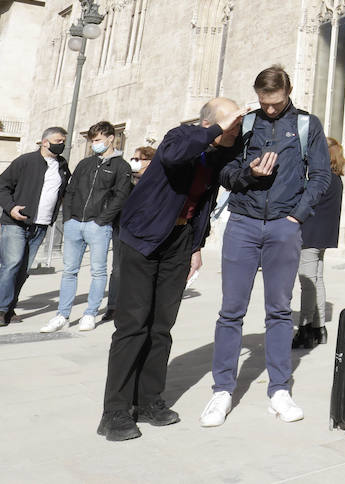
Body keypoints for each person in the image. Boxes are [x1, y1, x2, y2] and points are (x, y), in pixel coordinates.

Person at [97, 98, 248, 442]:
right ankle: (115, 411)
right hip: (142, 236)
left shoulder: (219, 153)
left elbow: (212, 195)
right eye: (231, 122)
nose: (235, 128)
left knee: (161, 326)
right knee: (133, 324)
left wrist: (196, 245)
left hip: (179, 240)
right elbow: (175, 157)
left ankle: (149, 401)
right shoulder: (180, 136)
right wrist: (215, 130)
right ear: (209, 123)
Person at [200, 66, 332, 429]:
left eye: (276, 103)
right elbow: (223, 173)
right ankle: (222, 390)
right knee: (231, 310)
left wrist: (297, 217)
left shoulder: (307, 124)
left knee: (279, 310)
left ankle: (279, 389)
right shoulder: (244, 125)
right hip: (242, 223)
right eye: (264, 103)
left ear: (289, 91)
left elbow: (321, 175)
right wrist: (250, 174)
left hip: (283, 226)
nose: (270, 110)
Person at [42, 121, 133, 334]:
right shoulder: (85, 164)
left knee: (98, 271)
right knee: (69, 271)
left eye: (98, 140)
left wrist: (102, 219)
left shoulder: (122, 166)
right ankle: (62, 315)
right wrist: (69, 217)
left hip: (98, 226)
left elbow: (121, 196)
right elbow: (71, 190)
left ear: (111, 138)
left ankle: (90, 313)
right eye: (92, 141)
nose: (95, 144)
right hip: (75, 224)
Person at [0, 126, 71, 326]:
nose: (62, 145)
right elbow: (3, 186)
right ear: (45, 142)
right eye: (58, 141)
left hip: (40, 225)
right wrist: (11, 207)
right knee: (11, 265)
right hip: (17, 222)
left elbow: (64, 191)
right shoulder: (25, 161)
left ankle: (9, 307)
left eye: (63, 142)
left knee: (23, 268)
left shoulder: (62, 165)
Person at [293, 136, 345, 349]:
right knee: (317, 279)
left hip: (310, 235)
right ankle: (319, 327)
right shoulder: (336, 179)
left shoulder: (320, 179)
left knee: (307, 282)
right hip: (324, 237)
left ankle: (305, 329)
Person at [104, 146, 153, 322]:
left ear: (149, 162)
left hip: (143, 231)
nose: (134, 162)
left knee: (140, 270)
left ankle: (135, 307)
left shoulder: (155, 182)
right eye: (133, 158)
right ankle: (113, 306)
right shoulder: (126, 179)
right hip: (122, 227)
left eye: (138, 159)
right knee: (117, 268)